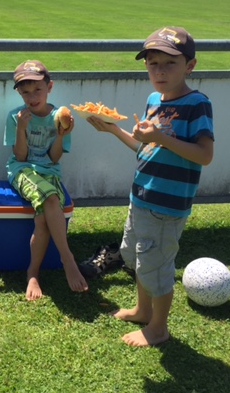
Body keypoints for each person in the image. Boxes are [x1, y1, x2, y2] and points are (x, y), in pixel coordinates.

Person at [87, 26, 214, 347]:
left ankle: (158, 328)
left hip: (166, 206)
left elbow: (204, 155)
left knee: (156, 266)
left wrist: (160, 137)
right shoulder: (153, 99)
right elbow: (146, 148)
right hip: (142, 197)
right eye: (152, 63)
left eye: (170, 63)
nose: (159, 71)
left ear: (190, 65)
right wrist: (114, 130)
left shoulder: (197, 104)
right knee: (136, 257)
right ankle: (143, 311)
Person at [4, 60, 89, 301]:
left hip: (49, 171)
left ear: (49, 87)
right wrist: (21, 128)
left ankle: (32, 272)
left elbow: (54, 158)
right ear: (19, 93)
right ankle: (67, 258)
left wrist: (61, 135)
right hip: (22, 170)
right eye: (25, 92)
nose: (32, 97)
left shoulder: (59, 117)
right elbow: (20, 156)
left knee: (42, 218)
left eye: (37, 90)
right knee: (51, 197)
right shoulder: (15, 117)